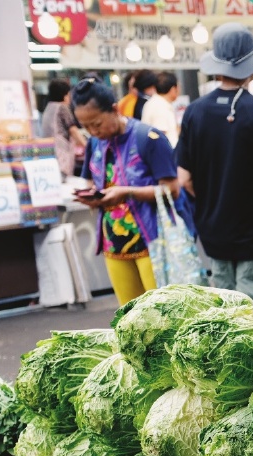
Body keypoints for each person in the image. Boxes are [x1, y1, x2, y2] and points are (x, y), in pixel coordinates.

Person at [177, 23, 253, 308]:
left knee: (226, 316)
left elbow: (184, 178)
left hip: (214, 235)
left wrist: (216, 195)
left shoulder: (193, 113)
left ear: (217, 67)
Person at [72, 78, 179, 306]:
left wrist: (127, 192)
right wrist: (93, 197)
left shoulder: (148, 138)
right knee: (128, 319)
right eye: (86, 126)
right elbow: (93, 182)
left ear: (113, 109)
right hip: (113, 244)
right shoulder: (94, 144)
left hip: (152, 242)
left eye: (97, 124)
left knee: (161, 315)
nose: (92, 131)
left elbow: (172, 189)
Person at [41, 78, 87, 177]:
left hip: (48, 153)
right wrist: (88, 147)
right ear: (65, 94)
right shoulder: (62, 108)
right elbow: (73, 130)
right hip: (61, 153)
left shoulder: (48, 107)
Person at [141, 71, 179, 147]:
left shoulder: (157, 103)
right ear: (173, 89)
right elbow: (159, 135)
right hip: (165, 155)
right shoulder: (159, 106)